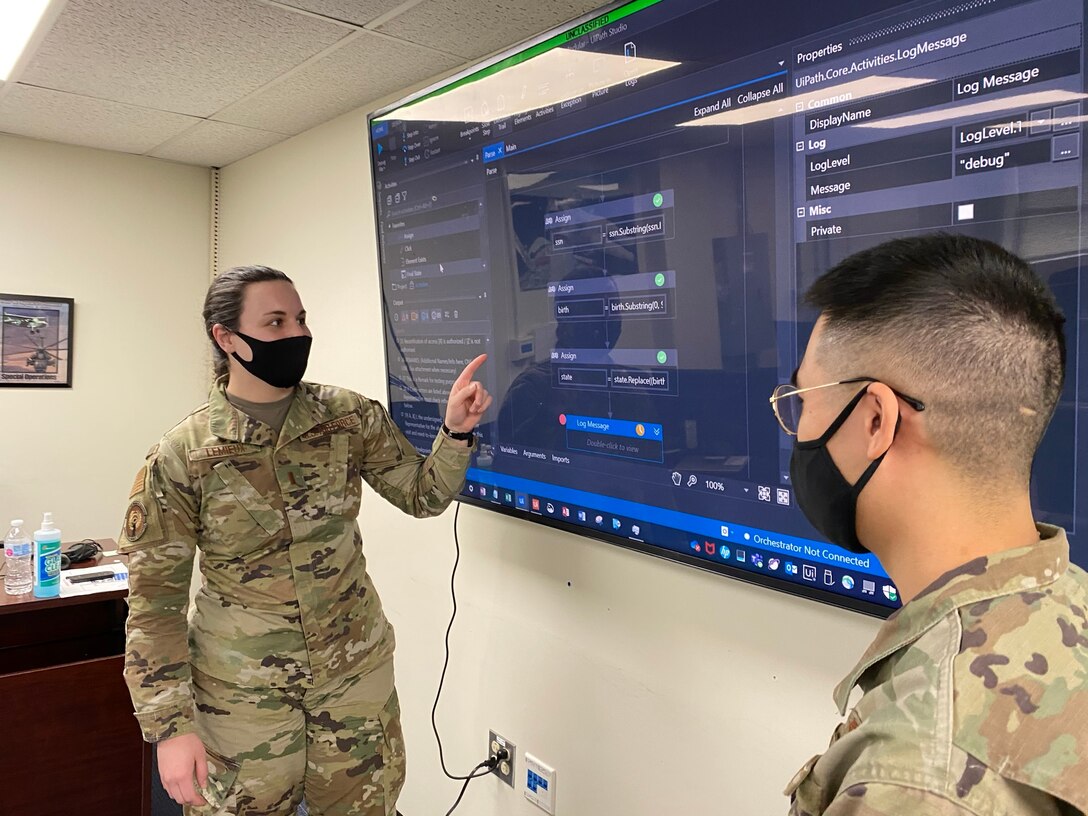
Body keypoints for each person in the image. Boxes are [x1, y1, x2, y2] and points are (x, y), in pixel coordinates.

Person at [119, 265, 491, 815]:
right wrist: (169, 729)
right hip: (244, 697)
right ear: (226, 338)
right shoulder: (184, 454)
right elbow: (155, 606)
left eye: (299, 318)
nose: (295, 333)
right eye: (274, 322)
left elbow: (422, 495)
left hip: (353, 674)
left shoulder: (348, 417)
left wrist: (455, 431)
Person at [769, 234, 1088, 815]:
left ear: (875, 421)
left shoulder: (919, 776)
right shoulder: (1071, 598)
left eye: (803, 400)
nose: (798, 427)